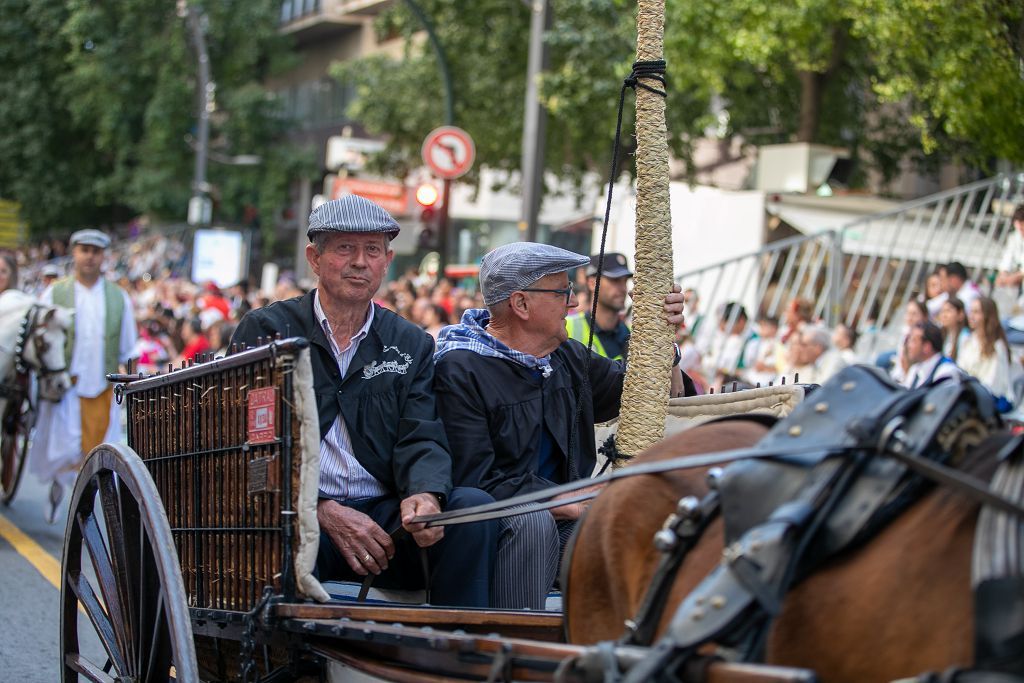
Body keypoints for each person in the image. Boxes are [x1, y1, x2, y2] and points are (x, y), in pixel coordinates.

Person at [230, 195, 496, 607]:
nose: (360, 262)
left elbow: (421, 434)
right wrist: (319, 508)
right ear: (313, 259)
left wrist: (424, 493)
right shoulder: (268, 331)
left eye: (372, 250)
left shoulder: (408, 342)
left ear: (387, 261)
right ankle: (298, 664)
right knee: (282, 536)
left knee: (470, 510)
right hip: (296, 515)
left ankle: (456, 650)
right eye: (344, 248)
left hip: (385, 519)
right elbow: (247, 447)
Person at [433, 242, 690, 609]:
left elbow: (644, 395)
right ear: (520, 304)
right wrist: (556, 499)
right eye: (562, 292)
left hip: (569, 516)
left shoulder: (564, 355)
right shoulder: (459, 368)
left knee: (636, 532)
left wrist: (663, 336)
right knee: (533, 524)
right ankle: (513, 648)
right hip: (501, 526)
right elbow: (473, 479)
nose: (573, 303)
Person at [29, 229, 138, 523]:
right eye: (84, 250)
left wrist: (133, 385)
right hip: (66, 386)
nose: (89, 256)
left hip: (102, 386)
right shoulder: (55, 293)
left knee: (96, 451)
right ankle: (57, 490)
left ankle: (84, 513)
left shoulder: (119, 298)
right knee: (64, 449)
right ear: (74, 253)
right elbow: (38, 338)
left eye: (95, 251)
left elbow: (129, 347)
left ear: (104, 256)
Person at [565, 253, 632, 360]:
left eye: (625, 281)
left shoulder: (633, 334)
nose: (623, 288)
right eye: (615, 280)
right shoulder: (566, 327)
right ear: (592, 283)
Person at [959, 297, 1017, 407]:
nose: (971, 316)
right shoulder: (968, 340)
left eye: (976, 312)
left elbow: (994, 383)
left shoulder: (997, 346)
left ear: (987, 315)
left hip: (990, 399)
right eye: (971, 311)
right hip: (968, 392)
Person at [901, 322, 961, 389]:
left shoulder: (945, 372)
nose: (909, 345)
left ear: (927, 347)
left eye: (913, 341)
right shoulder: (915, 369)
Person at [938, 296, 969, 363]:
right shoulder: (943, 334)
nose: (944, 315)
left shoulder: (965, 336)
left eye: (948, 311)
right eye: (942, 311)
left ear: (960, 314)